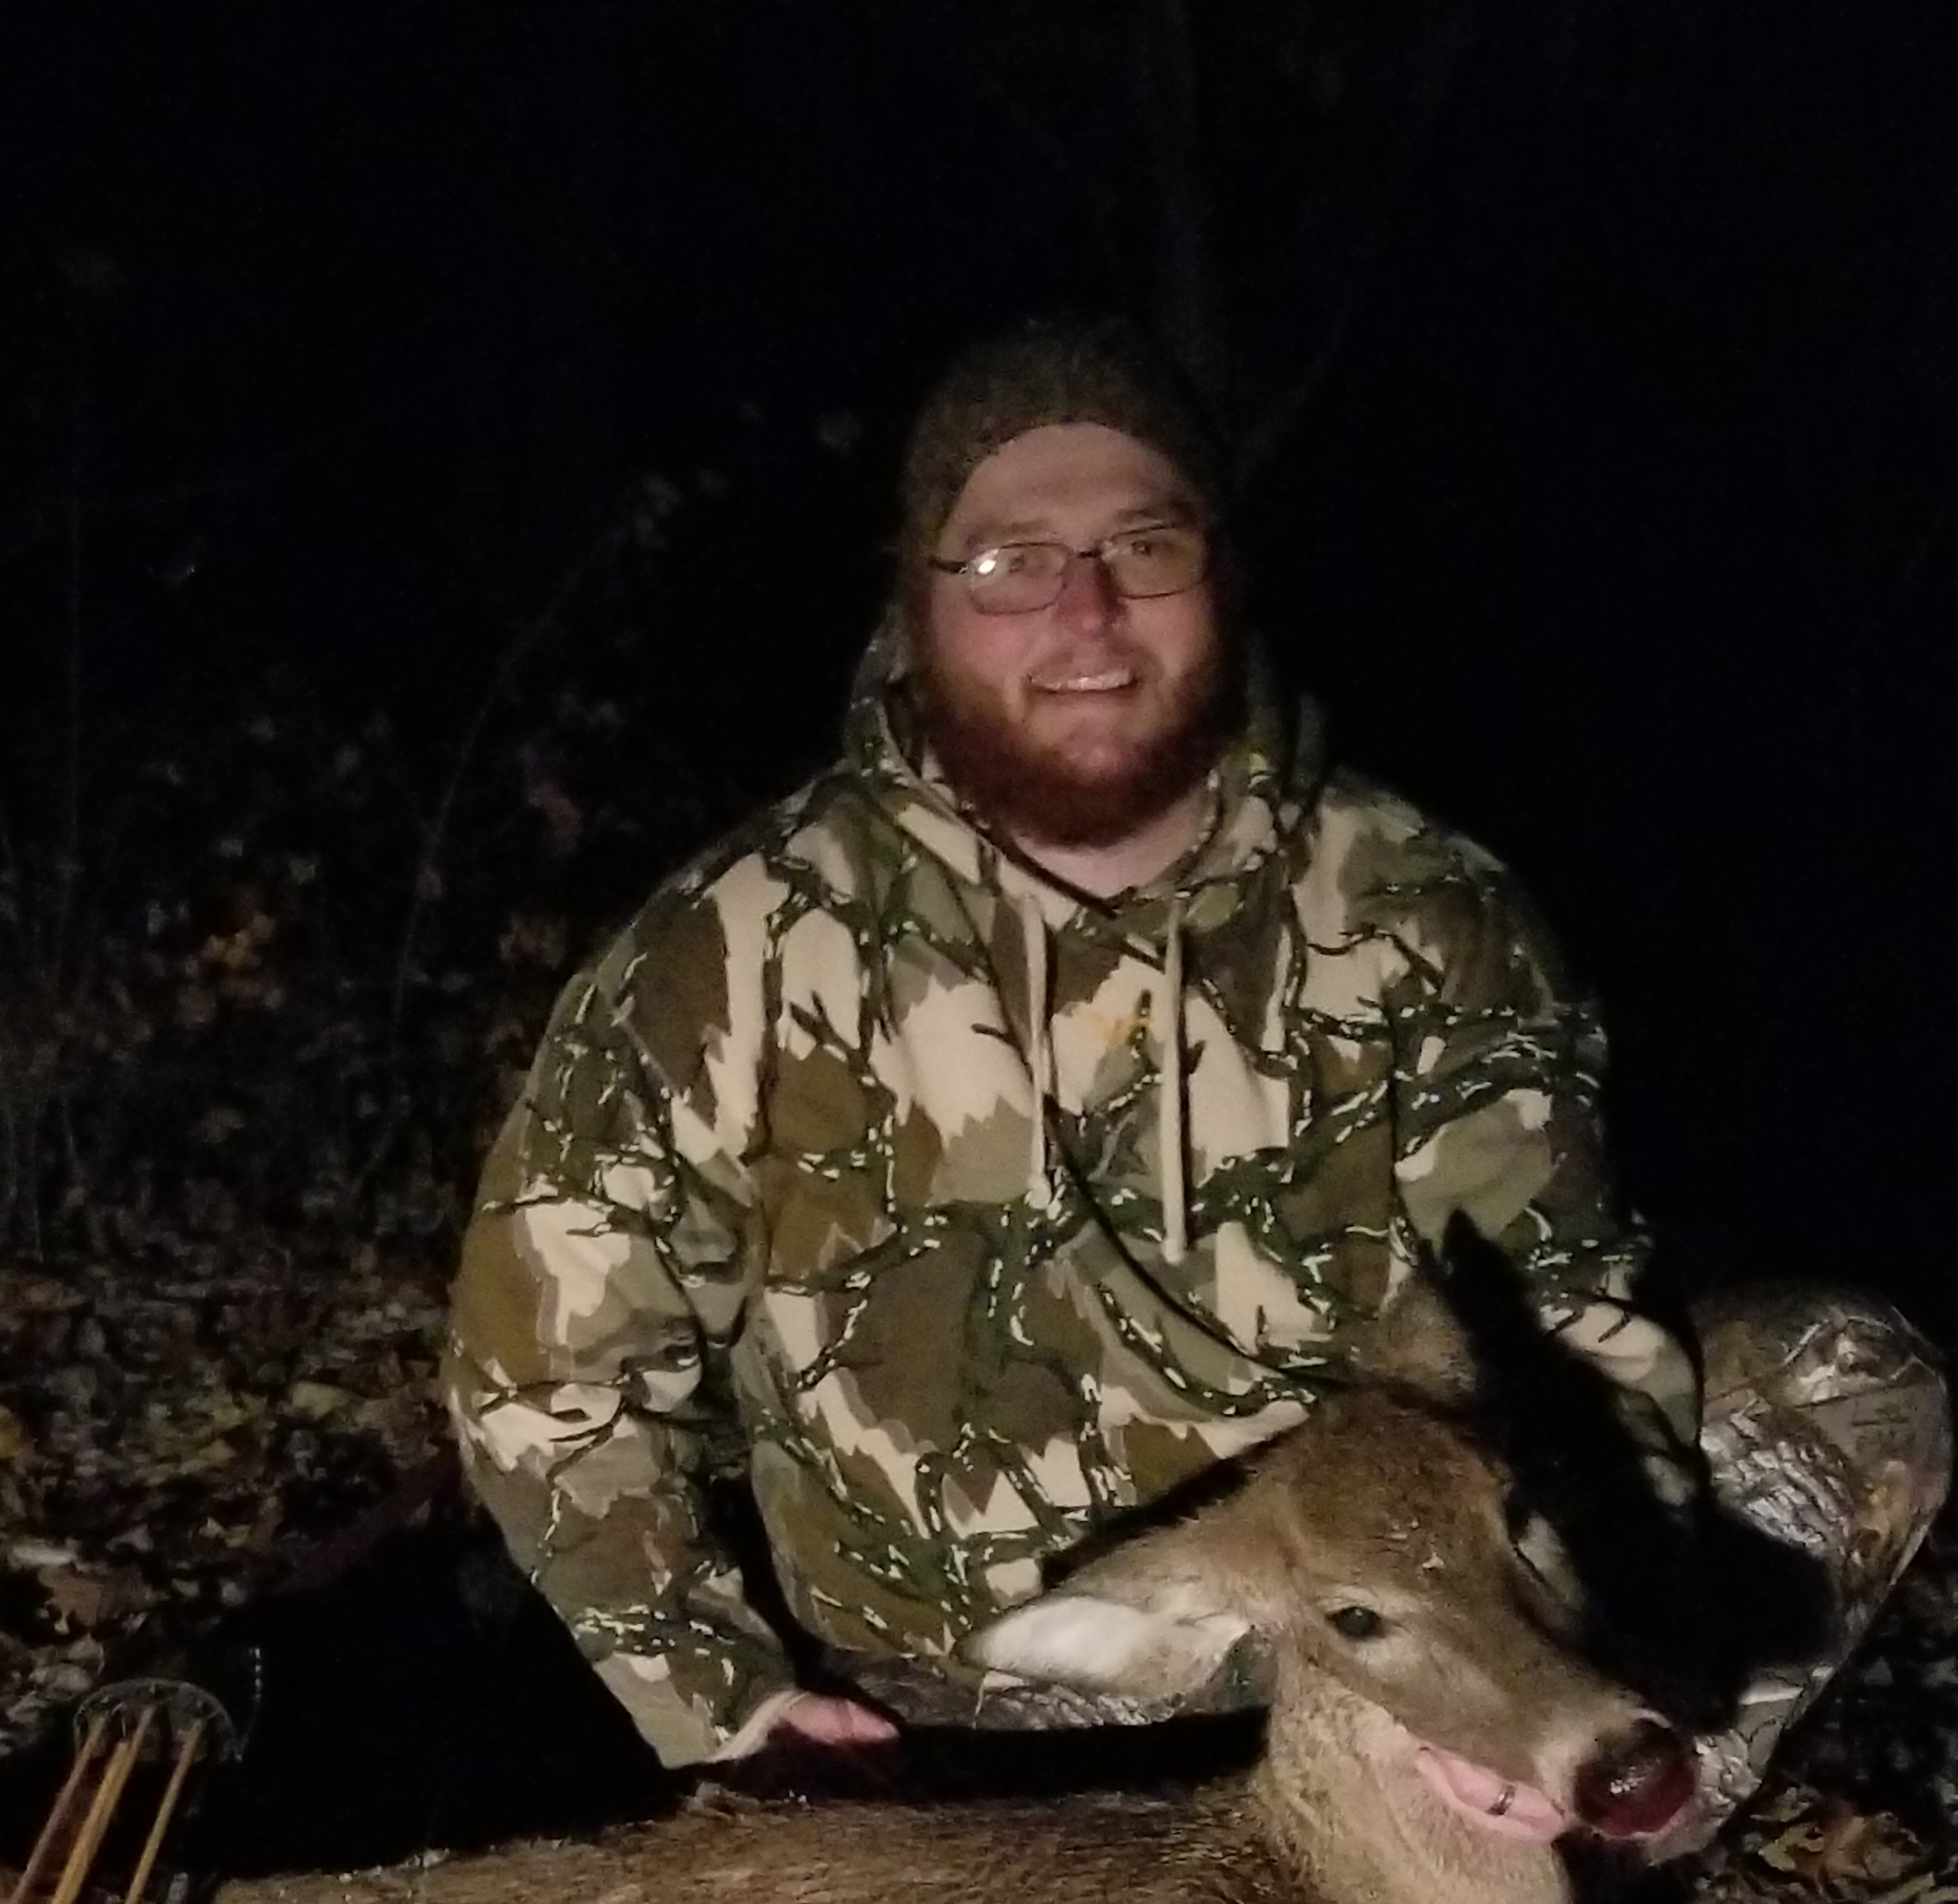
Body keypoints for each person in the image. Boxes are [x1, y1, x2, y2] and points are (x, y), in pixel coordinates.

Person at [442, 319, 1946, 1821]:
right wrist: (732, 1703)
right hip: (954, 1713)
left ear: (1219, 569)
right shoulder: (734, 952)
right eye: (1010, 561)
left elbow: (1569, 1327)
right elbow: (542, 1375)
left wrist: (1575, 1635)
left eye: (1144, 546)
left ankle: (1555, 1880)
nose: (1086, 613)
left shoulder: (1426, 910)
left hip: (1370, 1668)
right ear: (918, 598)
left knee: (1844, 1379)